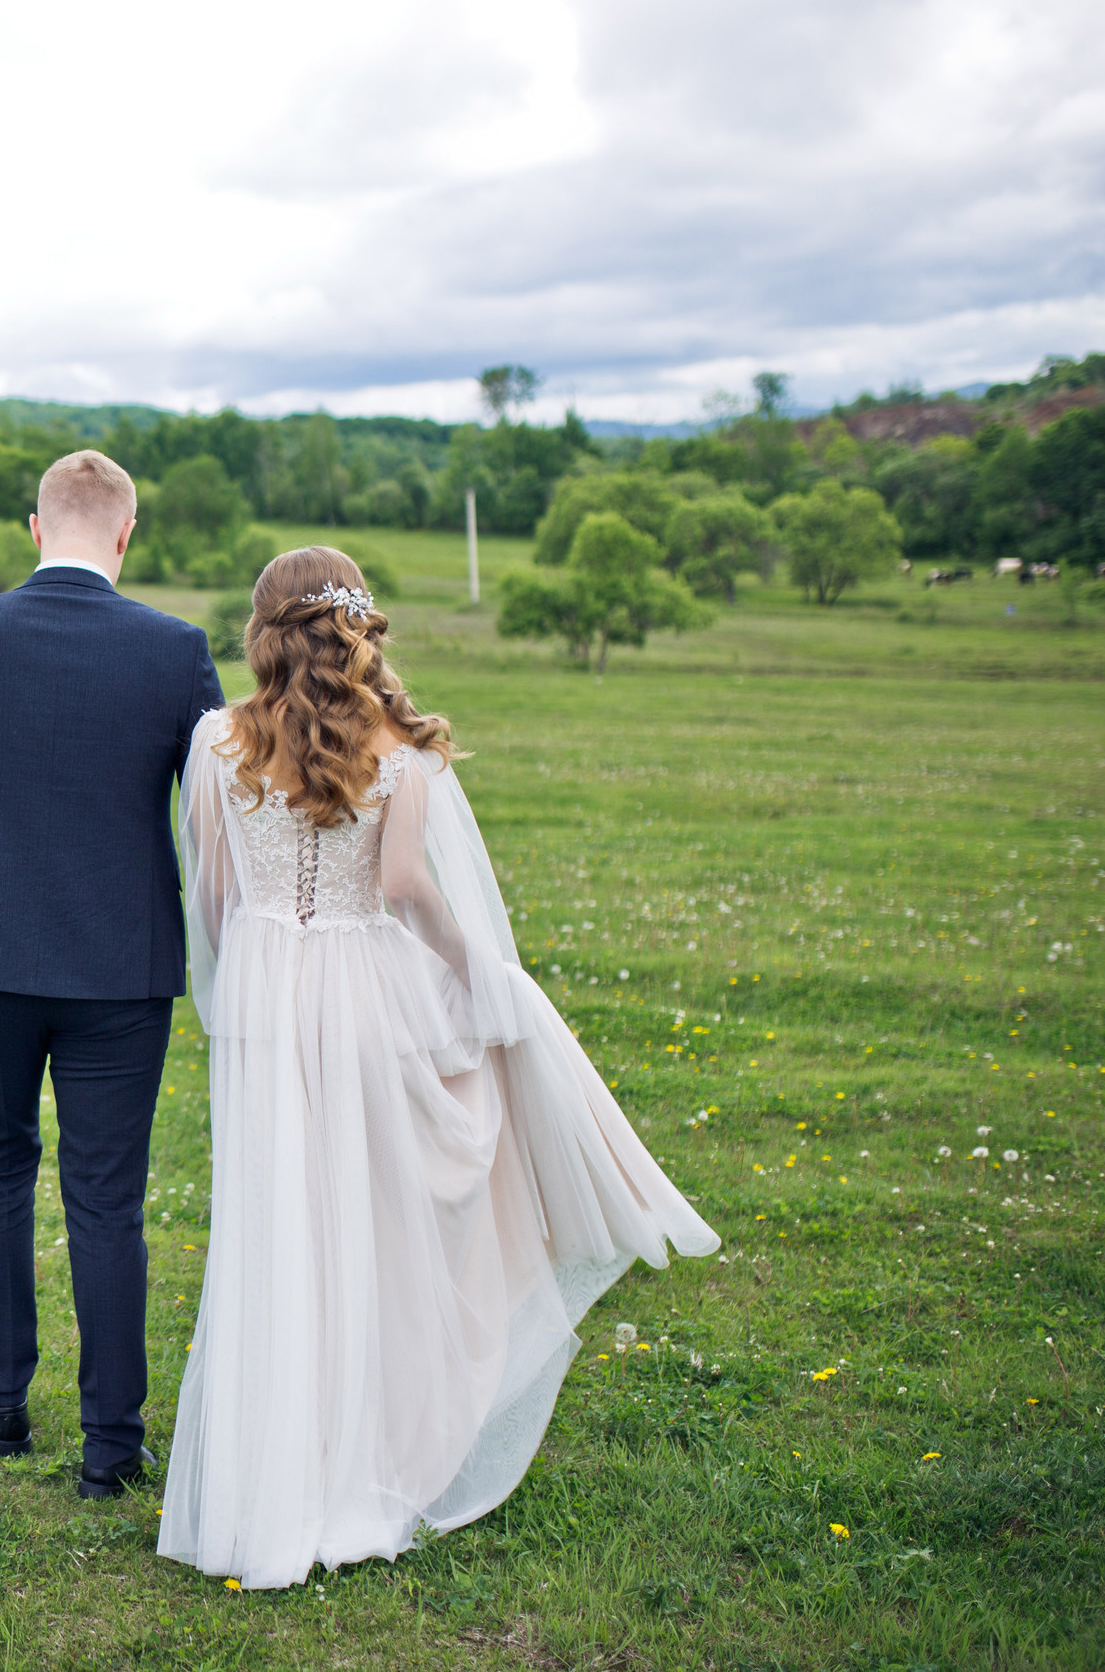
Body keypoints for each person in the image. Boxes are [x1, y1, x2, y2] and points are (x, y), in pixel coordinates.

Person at [158, 547, 718, 1589]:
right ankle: (368, 1449)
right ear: (356, 625)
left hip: (265, 988)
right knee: (370, 1213)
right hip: (364, 990)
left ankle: (269, 1475)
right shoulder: (396, 749)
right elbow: (408, 888)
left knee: (280, 1219)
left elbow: (216, 894)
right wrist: (481, 975)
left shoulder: (216, 739)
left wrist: (242, 988)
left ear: (263, 630)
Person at [0, 449, 224, 1497]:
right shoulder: (176, 651)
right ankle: (110, 1447)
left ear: (35, 529)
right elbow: (215, 823)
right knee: (107, 1199)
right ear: (126, 534)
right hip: (121, 964)